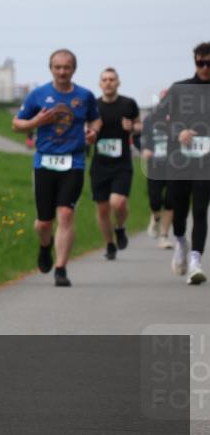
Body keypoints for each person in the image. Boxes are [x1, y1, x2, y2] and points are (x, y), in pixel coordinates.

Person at [12, 49, 101, 287]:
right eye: (57, 67)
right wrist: (36, 122)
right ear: (50, 69)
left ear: (74, 69)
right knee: (44, 223)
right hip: (45, 162)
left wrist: (93, 132)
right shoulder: (38, 95)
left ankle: (61, 269)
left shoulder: (85, 96)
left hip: (74, 161)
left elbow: (95, 118)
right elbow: (16, 124)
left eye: (66, 67)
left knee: (66, 214)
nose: (62, 72)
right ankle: (45, 246)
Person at [151, 42, 210, 285]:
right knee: (179, 209)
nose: (205, 67)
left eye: (209, 63)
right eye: (201, 62)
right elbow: (156, 119)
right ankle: (181, 242)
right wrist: (178, 133)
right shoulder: (179, 89)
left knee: (200, 210)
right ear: (194, 61)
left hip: (205, 163)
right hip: (179, 161)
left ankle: (196, 261)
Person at [90, 68, 140, 260]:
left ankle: (120, 227)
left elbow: (140, 124)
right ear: (100, 84)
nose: (108, 82)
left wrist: (132, 127)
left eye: (112, 79)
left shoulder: (128, 104)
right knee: (103, 209)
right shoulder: (93, 106)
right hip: (100, 164)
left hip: (122, 163)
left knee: (118, 202)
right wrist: (90, 131)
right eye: (104, 79)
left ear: (118, 82)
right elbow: (86, 129)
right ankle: (109, 244)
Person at [139, 90, 174, 249]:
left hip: (175, 166)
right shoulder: (150, 119)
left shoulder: (181, 119)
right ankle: (155, 218)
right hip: (155, 164)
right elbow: (143, 137)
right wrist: (144, 149)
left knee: (170, 201)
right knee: (155, 201)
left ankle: (164, 236)